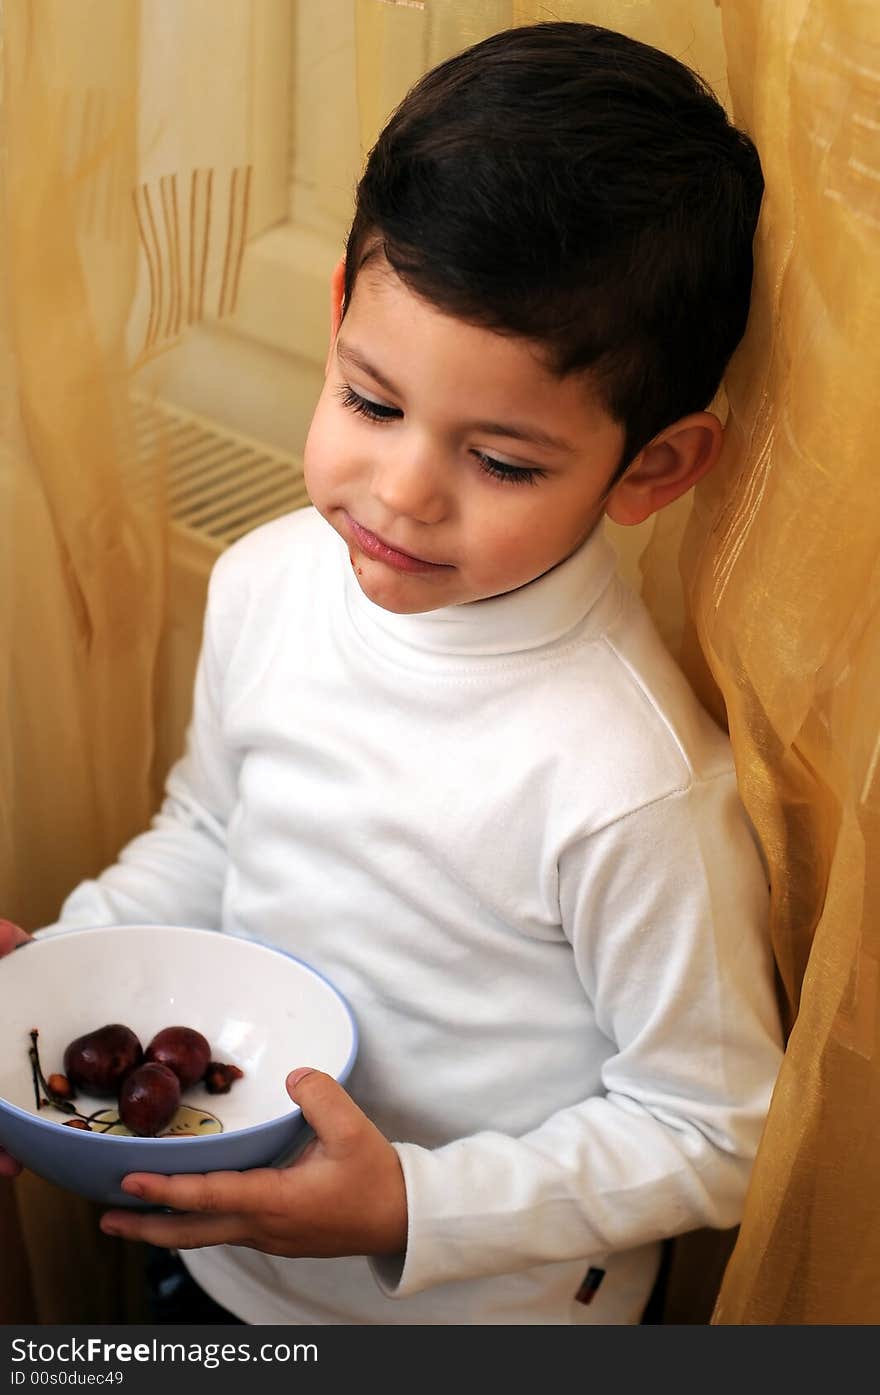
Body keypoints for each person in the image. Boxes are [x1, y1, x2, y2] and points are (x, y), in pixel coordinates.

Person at [0, 21, 784, 1325]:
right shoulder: (268, 581)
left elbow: (722, 1130)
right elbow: (211, 832)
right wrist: (66, 972)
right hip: (217, 1263)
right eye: (371, 401)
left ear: (653, 469)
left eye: (506, 462)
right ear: (338, 322)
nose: (402, 494)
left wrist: (412, 1206)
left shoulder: (628, 781)